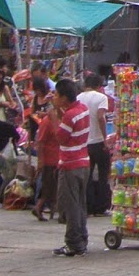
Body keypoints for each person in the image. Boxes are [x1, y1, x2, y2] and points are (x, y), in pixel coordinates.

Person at [52, 79, 91, 257]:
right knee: (80, 203)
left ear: (64, 97)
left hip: (71, 163)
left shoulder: (70, 115)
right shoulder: (82, 109)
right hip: (83, 161)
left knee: (71, 205)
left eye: (56, 94)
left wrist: (54, 117)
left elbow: (61, 137)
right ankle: (81, 239)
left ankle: (74, 242)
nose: (54, 97)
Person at [78, 71, 111, 217]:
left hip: (84, 142)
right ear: (99, 85)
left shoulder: (78, 98)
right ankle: (102, 206)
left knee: (88, 175)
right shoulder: (101, 97)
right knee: (103, 174)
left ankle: (88, 205)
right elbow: (100, 117)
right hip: (98, 141)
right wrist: (105, 138)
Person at [31, 77, 59, 223]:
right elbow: (40, 142)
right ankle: (39, 207)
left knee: (51, 186)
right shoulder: (48, 121)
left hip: (56, 157)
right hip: (50, 158)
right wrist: (41, 161)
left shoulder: (56, 119)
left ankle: (45, 208)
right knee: (49, 186)